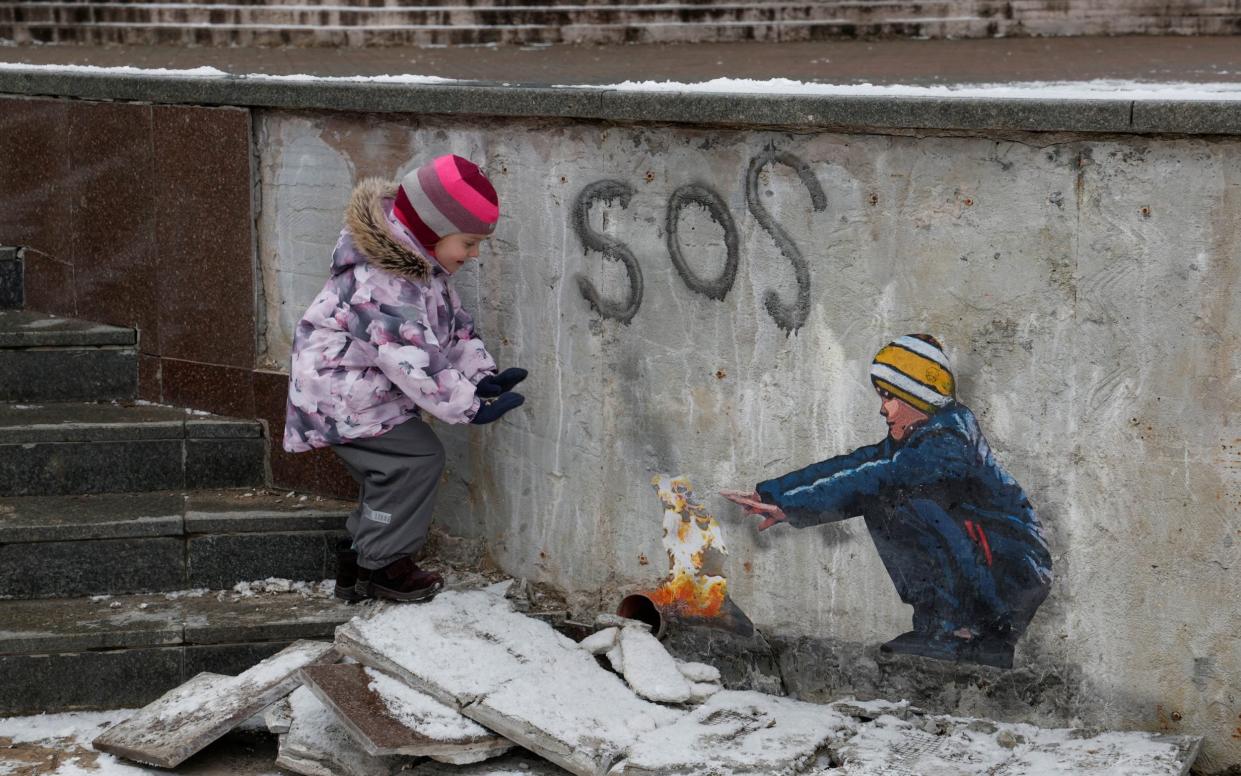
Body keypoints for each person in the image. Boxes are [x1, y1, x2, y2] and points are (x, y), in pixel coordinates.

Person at [723, 335, 1052, 669]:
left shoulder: (947, 443)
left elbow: (876, 478)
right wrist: (772, 494)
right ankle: (938, 625)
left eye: (889, 397)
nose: (884, 408)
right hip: (993, 565)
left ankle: (970, 633)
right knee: (881, 496)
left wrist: (793, 507)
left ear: (917, 397)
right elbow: (853, 465)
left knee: (897, 497)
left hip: (1012, 574)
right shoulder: (918, 439)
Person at [282, 154, 527, 603]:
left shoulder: (421, 269)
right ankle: (384, 567)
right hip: (339, 395)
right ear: (434, 231)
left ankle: (358, 559)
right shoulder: (383, 282)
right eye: (469, 243)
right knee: (413, 461)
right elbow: (410, 357)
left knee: (394, 470)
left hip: (360, 390)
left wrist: (479, 377)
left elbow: (448, 331)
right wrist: (466, 406)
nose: (473, 256)